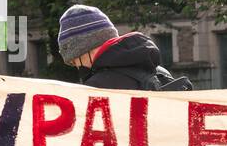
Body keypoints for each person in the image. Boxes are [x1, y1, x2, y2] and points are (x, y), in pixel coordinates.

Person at [57, 5, 192, 91]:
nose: (76, 66)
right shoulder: (160, 72)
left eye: (74, 61)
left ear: (84, 50)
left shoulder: (98, 87)